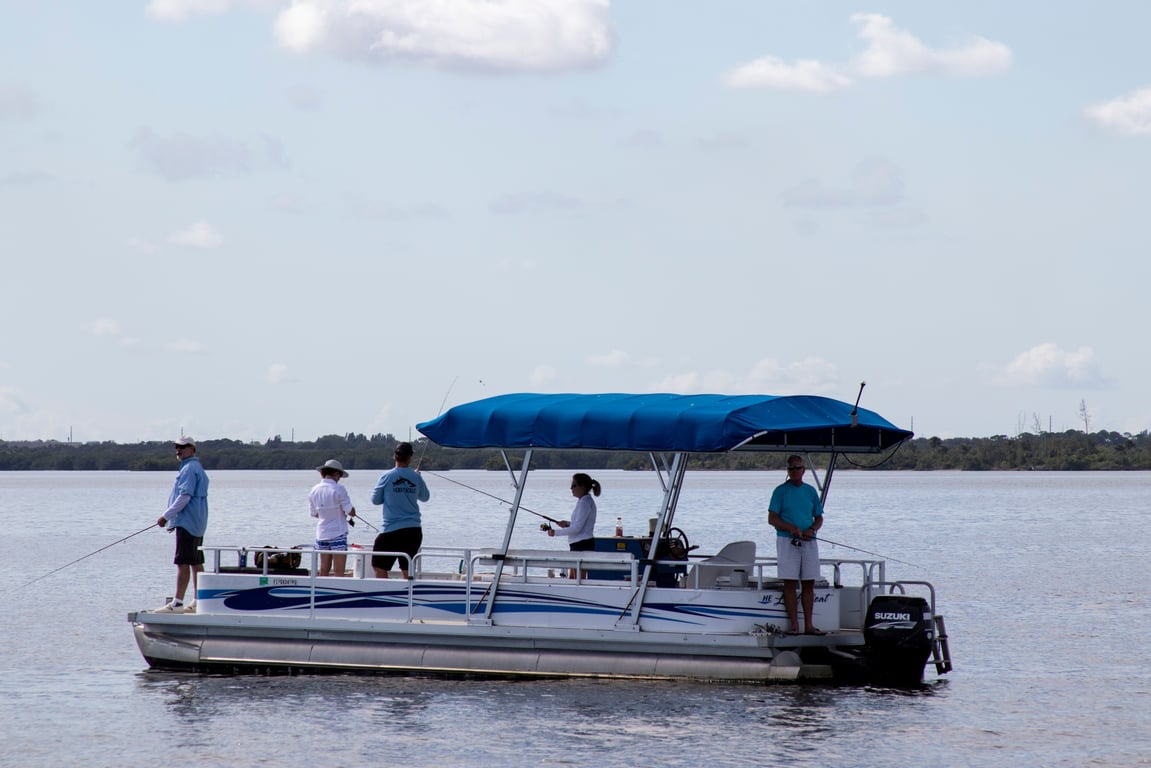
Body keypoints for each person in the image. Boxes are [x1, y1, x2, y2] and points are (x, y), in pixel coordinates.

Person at [768, 455, 825, 635]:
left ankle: (809, 625)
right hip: (787, 541)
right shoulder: (780, 491)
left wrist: (812, 530)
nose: (794, 472)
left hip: (809, 541)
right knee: (790, 583)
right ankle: (794, 625)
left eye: (797, 468)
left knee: (809, 583)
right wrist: (790, 528)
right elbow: (772, 519)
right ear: (788, 471)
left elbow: (819, 517)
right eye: (790, 469)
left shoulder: (810, 491)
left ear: (803, 470)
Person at [154, 437, 209, 613]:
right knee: (195, 561)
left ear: (192, 449)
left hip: (187, 522)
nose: (179, 450)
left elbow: (184, 496)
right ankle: (198, 600)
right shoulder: (196, 467)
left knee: (183, 562)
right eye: (177, 447)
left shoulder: (189, 468)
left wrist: (165, 516)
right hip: (197, 522)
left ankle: (177, 602)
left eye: (183, 447)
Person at [370, 442, 430, 579]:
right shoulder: (416, 477)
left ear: (394, 456)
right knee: (407, 567)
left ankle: (386, 596)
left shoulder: (386, 476)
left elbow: (375, 500)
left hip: (391, 530)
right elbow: (425, 497)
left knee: (379, 566)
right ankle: (408, 596)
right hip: (413, 530)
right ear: (410, 457)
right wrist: (418, 478)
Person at [546, 473, 600, 577]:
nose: (571, 488)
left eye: (574, 485)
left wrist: (555, 533)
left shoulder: (584, 502)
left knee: (579, 579)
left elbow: (577, 529)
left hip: (582, 545)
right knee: (573, 578)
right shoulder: (583, 501)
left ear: (582, 487)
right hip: (578, 544)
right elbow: (579, 525)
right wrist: (567, 524)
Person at [309, 459, 357, 577]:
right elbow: (350, 511)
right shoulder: (339, 489)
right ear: (335, 473)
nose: (339, 478)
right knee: (339, 571)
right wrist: (352, 512)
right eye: (339, 475)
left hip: (322, 534)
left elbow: (314, 513)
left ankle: (321, 592)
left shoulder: (314, 490)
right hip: (338, 533)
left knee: (324, 569)